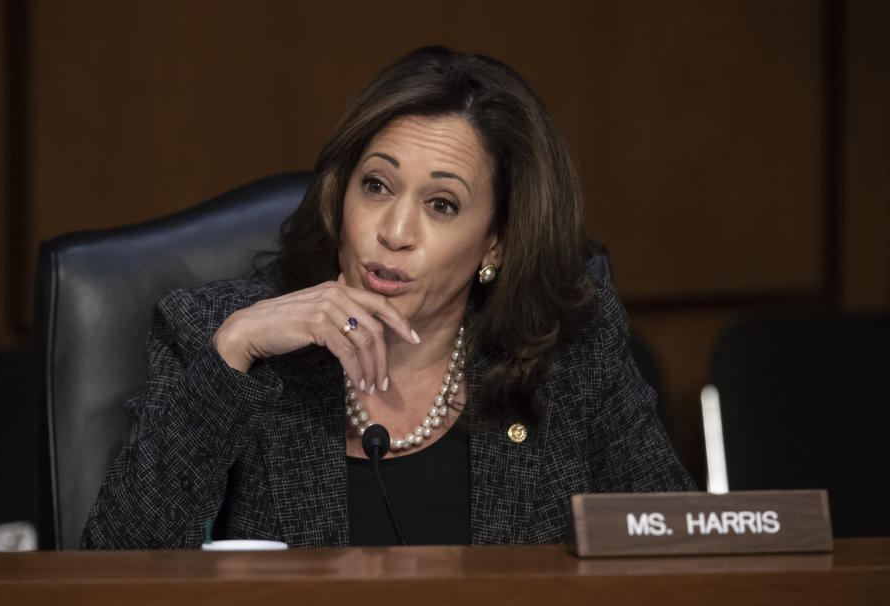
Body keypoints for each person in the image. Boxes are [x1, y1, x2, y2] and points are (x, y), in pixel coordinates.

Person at [81, 46, 694, 549]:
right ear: (340, 193)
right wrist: (234, 353)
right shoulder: (216, 332)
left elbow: (683, 546)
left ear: (497, 243)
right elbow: (112, 565)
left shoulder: (567, 347)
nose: (394, 233)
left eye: (441, 205)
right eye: (376, 186)